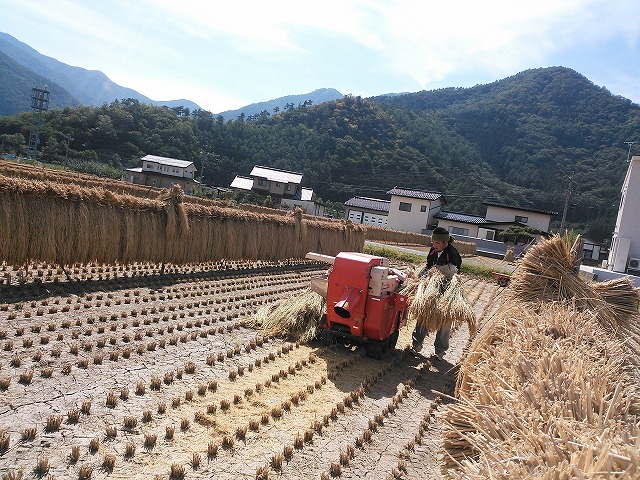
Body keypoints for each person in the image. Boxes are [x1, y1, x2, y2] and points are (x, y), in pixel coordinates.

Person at [411, 227, 462, 360]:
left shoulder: (452, 253)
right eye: (433, 242)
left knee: (445, 318)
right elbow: (428, 265)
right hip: (431, 288)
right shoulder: (433, 251)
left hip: (447, 289)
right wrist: (424, 276)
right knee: (424, 312)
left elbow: (454, 271)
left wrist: (438, 271)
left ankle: (440, 351)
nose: (434, 245)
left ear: (445, 242)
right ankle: (417, 344)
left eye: (437, 243)